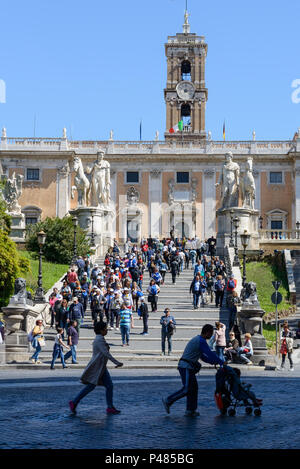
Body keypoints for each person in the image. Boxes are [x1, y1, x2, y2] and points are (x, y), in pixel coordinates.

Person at [162, 324, 225, 416]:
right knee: (187, 388)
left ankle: (190, 410)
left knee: (194, 388)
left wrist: (214, 362)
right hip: (186, 366)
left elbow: (203, 357)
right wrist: (221, 362)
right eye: (211, 333)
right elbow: (209, 353)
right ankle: (168, 400)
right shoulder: (201, 341)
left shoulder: (199, 340)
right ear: (207, 332)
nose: (211, 336)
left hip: (188, 366)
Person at [69, 321, 123, 415]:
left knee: (105, 386)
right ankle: (74, 402)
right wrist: (117, 362)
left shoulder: (99, 338)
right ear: (101, 330)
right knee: (93, 386)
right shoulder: (99, 340)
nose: (106, 330)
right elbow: (106, 353)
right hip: (98, 367)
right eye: (105, 329)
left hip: (101, 367)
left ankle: (110, 407)